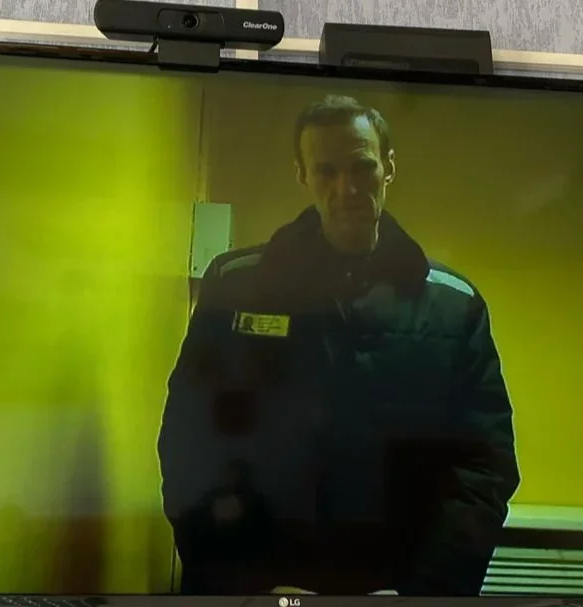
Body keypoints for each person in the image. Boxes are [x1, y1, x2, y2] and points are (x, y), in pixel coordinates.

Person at [158, 95, 520, 596]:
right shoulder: (236, 285)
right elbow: (191, 440)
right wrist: (246, 581)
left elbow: (483, 467)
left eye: (362, 167)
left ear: (388, 168)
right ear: (302, 175)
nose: (346, 188)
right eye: (326, 171)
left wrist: (423, 592)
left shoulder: (453, 305)